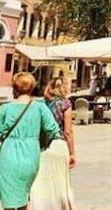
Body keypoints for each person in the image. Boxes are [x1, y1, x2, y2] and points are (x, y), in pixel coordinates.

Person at [0, 72, 63, 210]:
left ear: (14, 88)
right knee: (26, 195)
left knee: (9, 199)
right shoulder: (40, 108)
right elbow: (53, 130)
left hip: (8, 156)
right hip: (31, 154)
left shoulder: (6, 108)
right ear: (32, 87)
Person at [30, 77, 76, 209]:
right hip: (58, 144)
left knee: (42, 183)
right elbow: (68, 132)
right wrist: (72, 152)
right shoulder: (65, 104)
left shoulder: (40, 104)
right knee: (60, 182)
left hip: (41, 145)